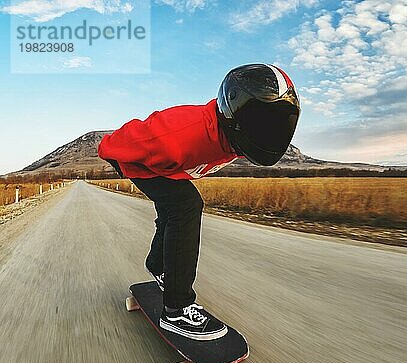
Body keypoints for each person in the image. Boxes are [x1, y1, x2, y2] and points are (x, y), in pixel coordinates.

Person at [98, 64, 300, 340]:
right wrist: (117, 159)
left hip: (169, 165)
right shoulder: (176, 134)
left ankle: (157, 267)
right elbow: (115, 144)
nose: (268, 132)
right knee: (186, 206)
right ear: (236, 115)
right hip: (135, 162)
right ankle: (176, 310)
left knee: (173, 209)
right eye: (263, 122)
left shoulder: (235, 137)